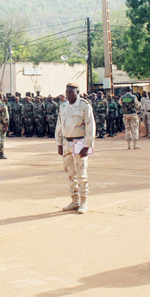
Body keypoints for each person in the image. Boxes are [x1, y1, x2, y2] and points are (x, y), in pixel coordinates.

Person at [56, 83, 95, 214]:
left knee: (81, 173)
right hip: (66, 143)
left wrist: (87, 146)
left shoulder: (84, 105)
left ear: (77, 92)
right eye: (67, 92)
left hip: (80, 142)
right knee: (69, 173)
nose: (68, 95)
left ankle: (84, 201)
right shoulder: (63, 106)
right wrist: (59, 144)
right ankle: (75, 200)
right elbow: (59, 125)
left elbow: (90, 126)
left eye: (71, 92)